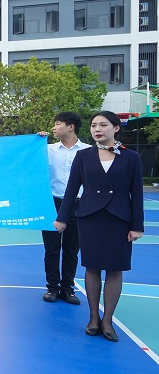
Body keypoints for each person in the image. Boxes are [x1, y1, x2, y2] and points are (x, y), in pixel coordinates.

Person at [55, 110, 144, 343]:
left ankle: (108, 320)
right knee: (92, 268)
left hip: (119, 219)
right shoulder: (83, 156)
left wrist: (137, 226)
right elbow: (71, 189)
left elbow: (137, 193)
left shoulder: (131, 157)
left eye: (103, 125)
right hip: (90, 217)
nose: (97, 129)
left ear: (116, 128)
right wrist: (62, 218)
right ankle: (94, 318)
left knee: (115, 269)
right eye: (94, 125)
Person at [41, 112, 90, 305]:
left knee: (72, 250)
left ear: (71, 127)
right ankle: (52, 287)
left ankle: (68, 289)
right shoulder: (47, 149)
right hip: (53, 204)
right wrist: (37, 141)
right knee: (51, 249)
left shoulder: (88, 151)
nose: (54, 127)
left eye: (58, 124)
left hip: (79, 205)